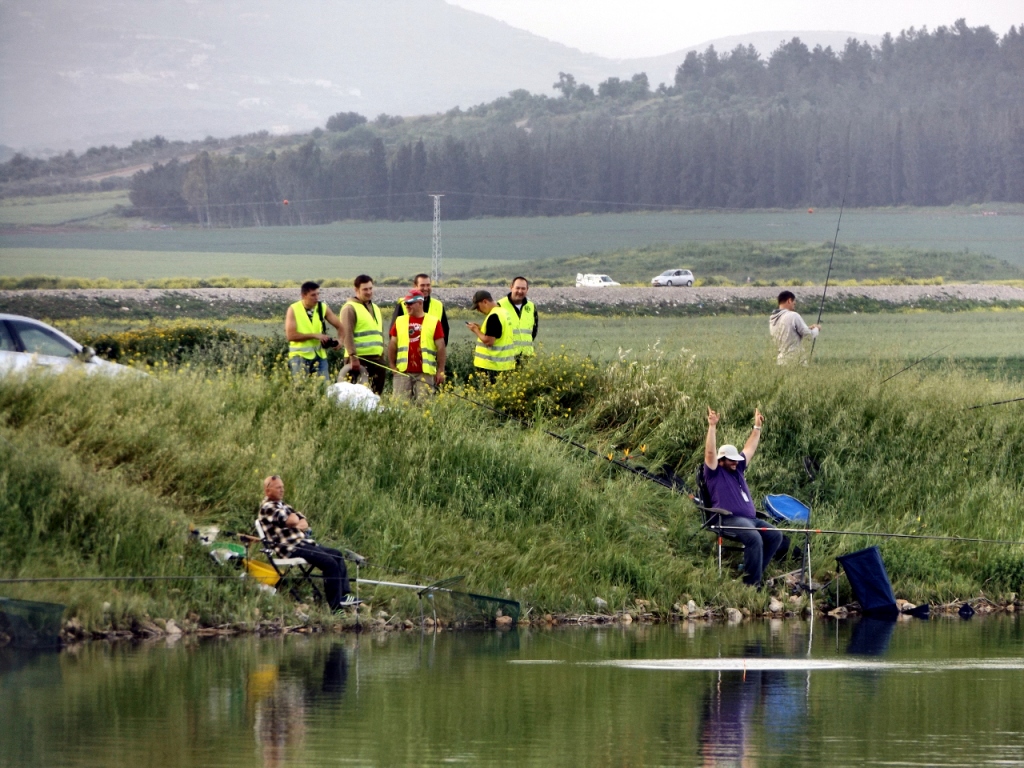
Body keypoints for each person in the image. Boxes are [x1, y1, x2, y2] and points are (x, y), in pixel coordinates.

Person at [703, 406, 788, 588]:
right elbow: (710, 452)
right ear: (722, 460)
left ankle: (752, 571)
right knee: (754, 538)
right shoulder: (714, 472)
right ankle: (751, 584)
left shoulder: (738, 468)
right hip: (727, 519)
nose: (736, 462)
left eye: (736, 460)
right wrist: (712, 426)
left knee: (775, 536)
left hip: (751, 519)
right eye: (731, 460)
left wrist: (757, 427)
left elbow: (749, 449)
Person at [258, 475, 359, 611]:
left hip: (304, 543)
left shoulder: (282, 505)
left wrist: (296, 520)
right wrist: (295, 520)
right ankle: (336, 608)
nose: (282, 490)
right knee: (329, 564)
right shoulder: (267, 507)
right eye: (278, 488)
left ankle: (344, 595)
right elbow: (292, 520)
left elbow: (304, 522)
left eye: (283, 487)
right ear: (268, 490)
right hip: (290, 547)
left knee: (337, 555)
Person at [388, 289, 446, 401]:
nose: (407, 306)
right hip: (402, 372)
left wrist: (441, 370)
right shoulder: (399, 321)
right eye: (405, 303)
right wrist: (392, 366)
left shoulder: (434, 322)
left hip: (425, 373)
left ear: (420, 303)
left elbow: (441, 347)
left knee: (424, 406)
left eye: (410, 303)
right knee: (400, 406)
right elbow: (392, 344)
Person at [285, 281, 344, 383]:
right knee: (301, 389)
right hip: (299, 357)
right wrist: (315, 336)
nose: (316, 298)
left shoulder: (322, 308)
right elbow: (291, 336)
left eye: (318, 294)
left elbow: (340, 326)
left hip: (320, 356)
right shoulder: (293, 309)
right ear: (303, 295)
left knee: (324, 388)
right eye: (313, 295)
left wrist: (340, 341)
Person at [339, 274, 387, 394]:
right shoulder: (349, 308)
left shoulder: (375, 307)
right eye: (365, 289)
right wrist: (353, 357)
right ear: (356, 290)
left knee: (376, 395)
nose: (369, 292)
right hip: (359, 360)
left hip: (377, 359)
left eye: (370, 288)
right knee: (358, 396)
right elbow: (347, 334)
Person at [467, 290, 515, 383]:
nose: (478, 310)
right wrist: (482, 329)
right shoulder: (503, 312)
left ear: (485, 302)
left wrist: (475, 330)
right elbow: (498, 334)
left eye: (478, 307)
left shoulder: (493, 316)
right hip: (505, 365)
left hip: (491, 366)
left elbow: (489, 341)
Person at [389, 273, 450, 345]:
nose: (426, 288)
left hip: (431, 354)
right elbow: (393, 332)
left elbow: (445, 331)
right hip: (408, 353)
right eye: (422, 285)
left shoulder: (438, 305)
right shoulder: (403, 304)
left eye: (428, 285)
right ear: (415, 286)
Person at [769, 290, 820, 365]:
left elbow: (788, 332)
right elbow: (808, 336)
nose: (794, 305)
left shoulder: (773, 319)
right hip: (796, 361)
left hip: (781, 361)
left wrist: (807, 328)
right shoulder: (793, 315)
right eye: (794, 303)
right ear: (789, 300)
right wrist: (817, 329)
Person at [497, 276, 538, 361]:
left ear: (527, 289)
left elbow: (534, 330)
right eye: (517, 288)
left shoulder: (531, 306)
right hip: (507, 357)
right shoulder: (500, 305)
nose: (520, 291)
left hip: (527, 357)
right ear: (511, 287)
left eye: (523, 288)